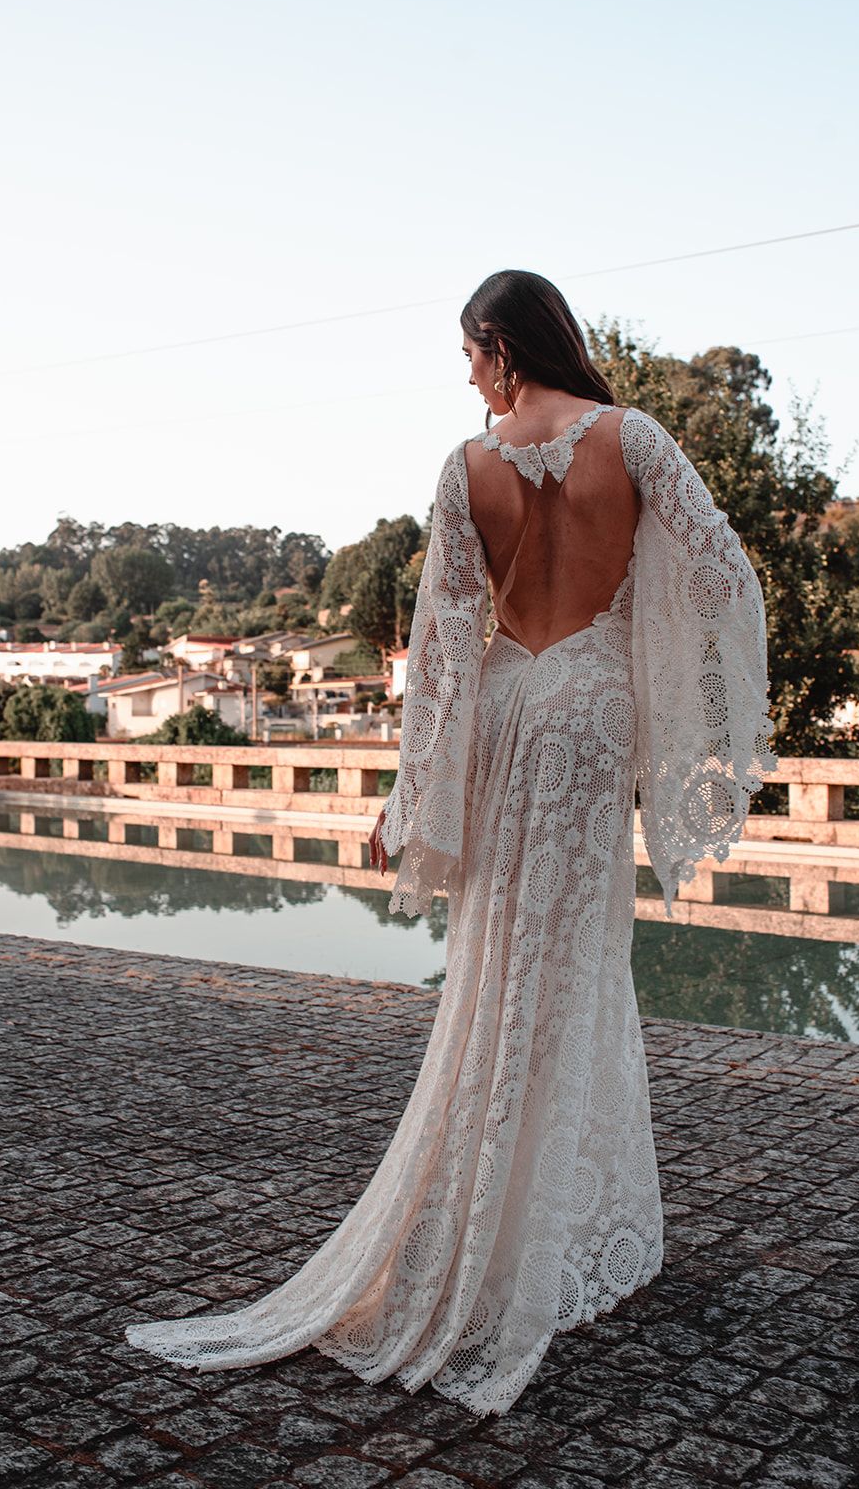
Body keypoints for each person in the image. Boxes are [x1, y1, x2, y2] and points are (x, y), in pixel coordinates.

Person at [124, 269, 776, 1417]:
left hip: (512, 711)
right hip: (592, 717)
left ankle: (490, 1218)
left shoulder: (462, 469)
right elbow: (728, 578)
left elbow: (443, 646)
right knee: (573, 965)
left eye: (468, 351)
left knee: (496, 963)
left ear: (503, 347)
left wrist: (411, 795)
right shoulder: (634, 437)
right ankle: (538, 1232)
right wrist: (641, 644)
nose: (464, 371)